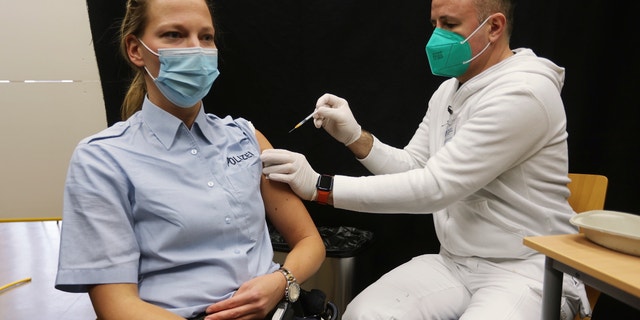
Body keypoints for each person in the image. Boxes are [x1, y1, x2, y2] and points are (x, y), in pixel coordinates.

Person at [259, 0, 590, 319]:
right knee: (364, 314)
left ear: (494, 28)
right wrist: (354, 137)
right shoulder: (450, 91)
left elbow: (434, 188)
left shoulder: (524, 92)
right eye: (434, 24)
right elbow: (416, 167)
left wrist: (320, 187)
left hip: (526, 269)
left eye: (449, 25)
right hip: (455, 263)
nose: (435, 37)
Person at [55, 0, 325, 319]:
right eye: (174, 35)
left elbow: (309, 241)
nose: (196, 49)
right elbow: (117, 306)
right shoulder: (102, 159)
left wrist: (282, 281)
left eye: (206, 37)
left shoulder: (246, 138)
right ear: (135, 49)